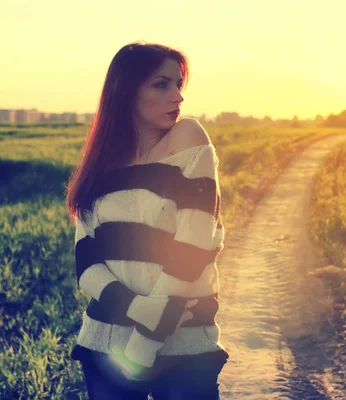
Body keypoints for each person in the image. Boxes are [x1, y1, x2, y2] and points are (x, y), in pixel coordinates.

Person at [64, 41, 228, 399]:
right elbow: (87, 265)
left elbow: (192, 246)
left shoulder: (189, 139)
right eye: (161, 84)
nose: (178, 97)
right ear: (126, 90)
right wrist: (143, 311)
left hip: (185, 350)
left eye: (179, 85)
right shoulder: (101, 164)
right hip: (105, 345)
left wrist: (143, 345)